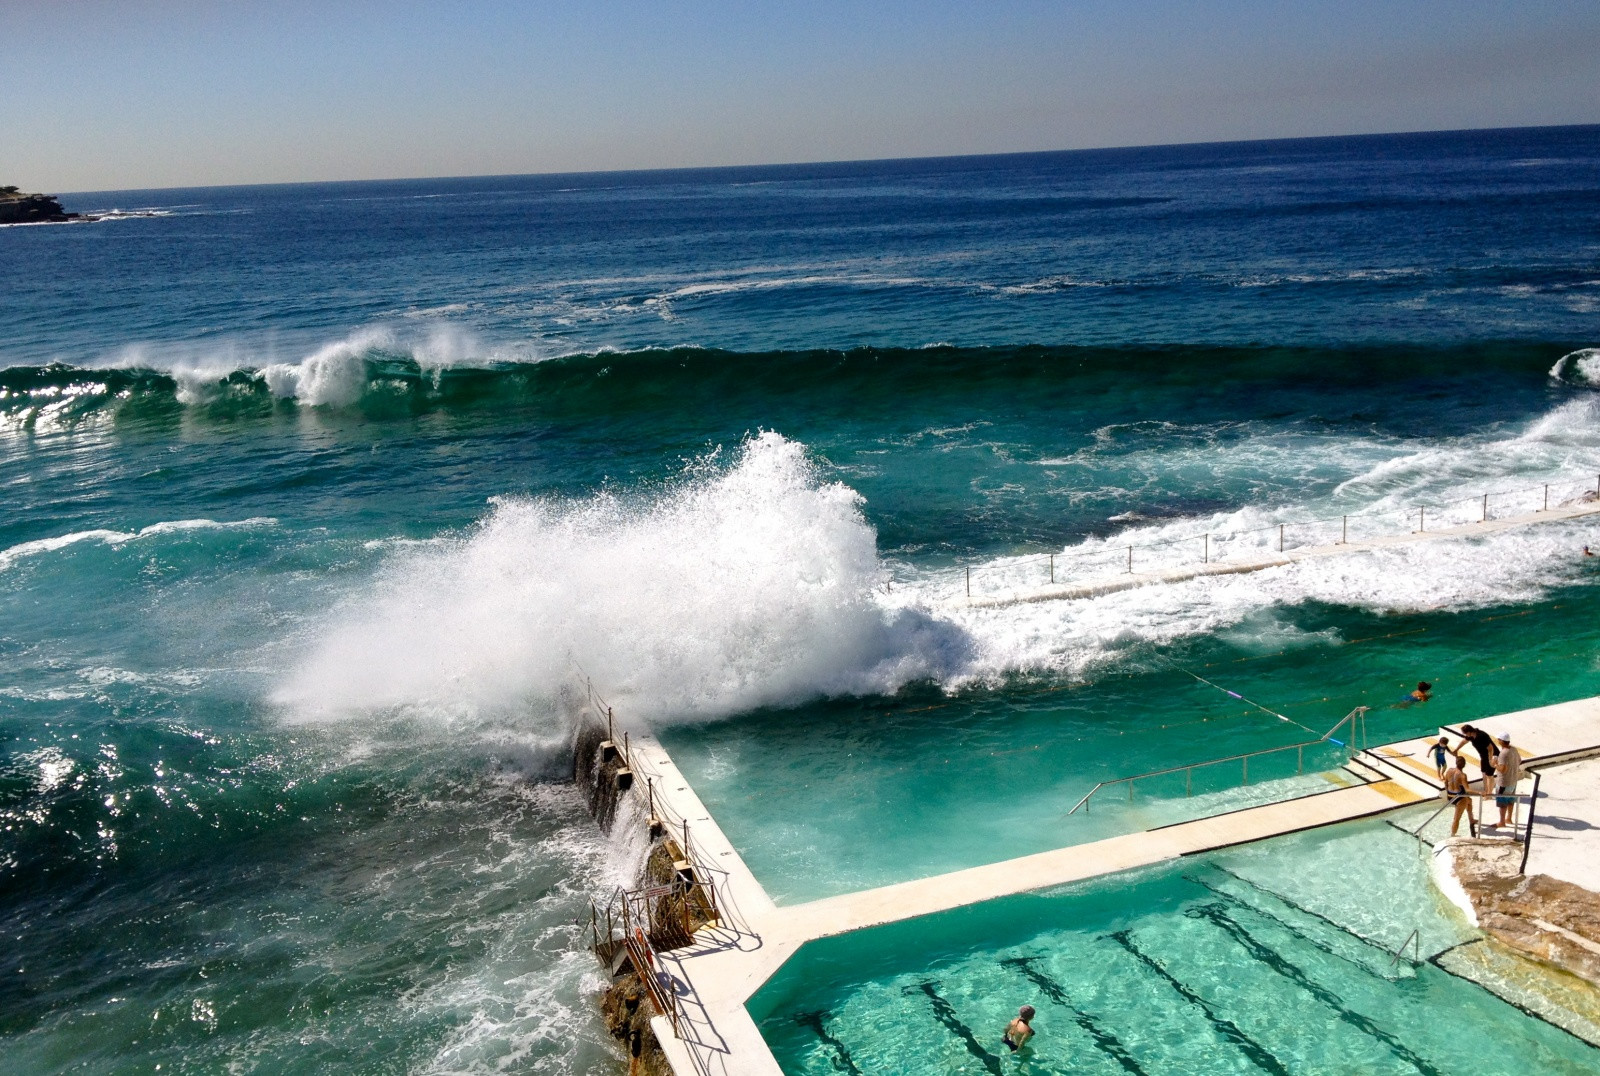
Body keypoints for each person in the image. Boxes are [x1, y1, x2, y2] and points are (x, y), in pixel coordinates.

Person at [1453, 724, 1496, 790]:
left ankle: (1489, 793)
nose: (1465, 735)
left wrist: (1490, 760)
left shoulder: (1481, 736)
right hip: (1483, 756)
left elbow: (1490, 748)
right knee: (1484, 772)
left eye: (1465, 733)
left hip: (1492, 755)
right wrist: (1456, 749)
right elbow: (1464, 741)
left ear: (1469, 732)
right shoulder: (1471, 736)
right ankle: (1486, 789)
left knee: (1489, 775)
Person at [1493, 733, 1524, 828]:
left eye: (1499, 739)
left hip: (1504, 782)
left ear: (1502, 741)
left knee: (1502, 802)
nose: (1498, 741)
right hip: (1513, 780)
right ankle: (1509, 818)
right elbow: (1519, 760)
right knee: (1511, 800)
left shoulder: (1503, 753)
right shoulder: (1513, 749)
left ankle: (1502, 822)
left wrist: (1495, 764)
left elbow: (1502, 769)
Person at [1444, 754, 1476, 837]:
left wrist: (1448, 791)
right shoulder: (1462, 775)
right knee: (1456, 818)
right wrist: (1480, 793)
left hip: (1450, 795)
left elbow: (1445, 782)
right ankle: (1453, 834)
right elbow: (1467, 789)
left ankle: (1471, 819)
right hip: (1460, 798)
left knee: (1469, 801)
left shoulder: (1449, 770)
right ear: (1464, 765)